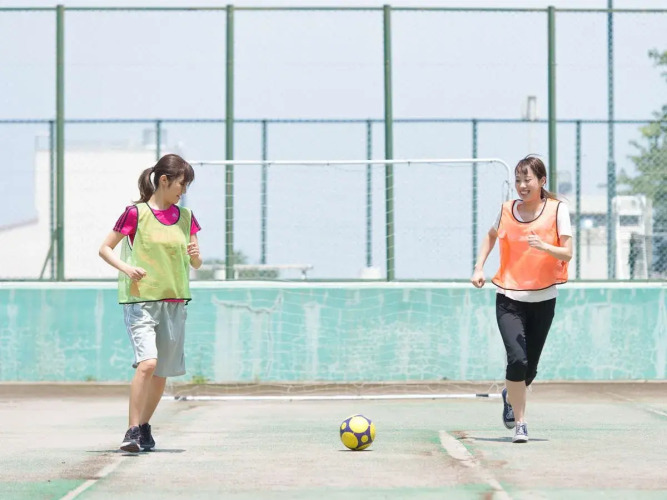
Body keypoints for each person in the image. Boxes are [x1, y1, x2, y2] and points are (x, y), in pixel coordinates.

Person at [99, 153, 202, 453]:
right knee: (148, 363)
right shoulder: (135, 213)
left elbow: (196, 262)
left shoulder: (187, 217)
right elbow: (105, 248)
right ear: (164, 180)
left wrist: (196, 255)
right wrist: (127, 268)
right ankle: (131, 430)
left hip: (174, 303)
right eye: (181, 184)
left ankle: (144, 426)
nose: (183, 191)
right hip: (142, 302)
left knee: (162, 371)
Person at [470, 155, 572, 443]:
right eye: (518, 180)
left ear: (542, 181)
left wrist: (544, 246)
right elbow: (491, 236)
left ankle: (509, 395)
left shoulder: (557, 210)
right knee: (517, 360)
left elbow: (567, 253)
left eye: (527, 180)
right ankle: (521, 424)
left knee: (529, 369)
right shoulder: (506, 210)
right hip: (509, 298)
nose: (522, 185)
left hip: (543, 299)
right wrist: (479, 267)